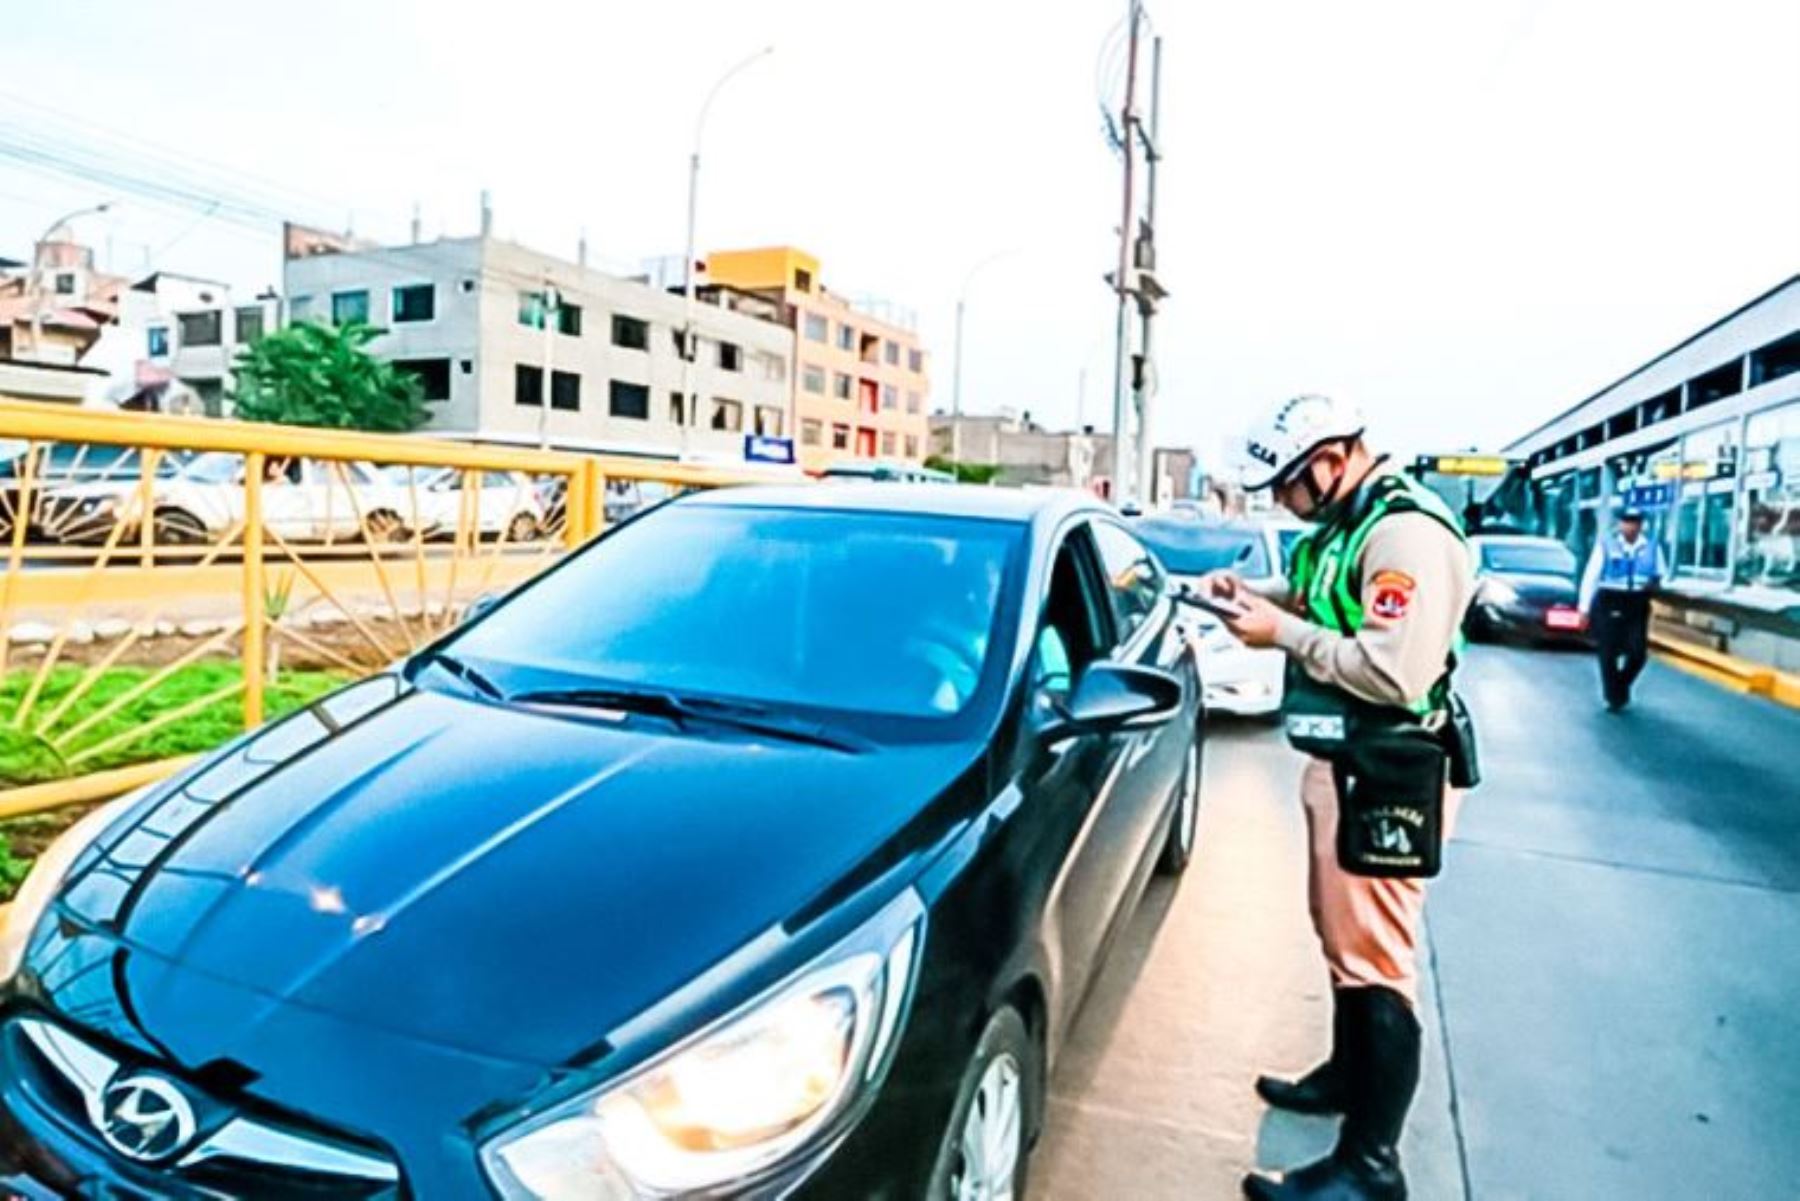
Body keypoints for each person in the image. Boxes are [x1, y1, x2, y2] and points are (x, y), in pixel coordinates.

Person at [1199, 393, 1476, 1201]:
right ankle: (1347, 1076)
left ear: (1330, 459)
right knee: (1340, 934)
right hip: (1352, 756)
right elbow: (1322, 596)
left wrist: (1277, 635)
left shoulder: (1404, 534)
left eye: (1286, 483)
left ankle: (1370, 1166)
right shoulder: (1345, 527)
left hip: (1394, 767)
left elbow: (1396, 671)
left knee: (1376, 960)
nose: (1281, 499)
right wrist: (1257, 598)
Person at [1578, 507, 1666, 711]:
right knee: (1608, 651)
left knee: (1638, 653)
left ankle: (1620, 686)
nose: (1631, 526)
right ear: (1620, 524)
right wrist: (1584, 609)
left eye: (1635, 522)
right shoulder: (1606, 546)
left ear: (1641, 525)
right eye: (1627, 521)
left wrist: (1653, 584)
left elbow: (1660, 574)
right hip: (1610, 598)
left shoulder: (1651, 547)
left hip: (1637, 600)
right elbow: (1591, 577)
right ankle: (1613, 695)